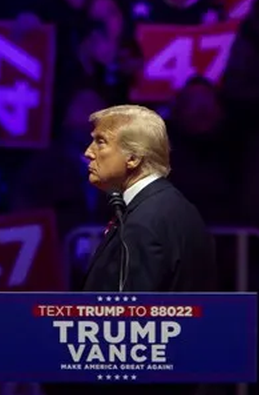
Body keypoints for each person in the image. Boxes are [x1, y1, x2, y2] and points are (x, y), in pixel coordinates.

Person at [79, 104, 215, 293]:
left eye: (100, 142)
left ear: (133, 158)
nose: (88, 152)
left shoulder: (144, 221)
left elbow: (131, 316)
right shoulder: (175, 206)